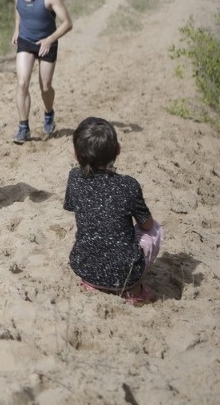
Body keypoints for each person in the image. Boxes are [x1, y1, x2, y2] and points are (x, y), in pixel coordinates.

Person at [64, 117, 164, 306]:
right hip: (127, 273)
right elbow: (147, 225)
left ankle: (94, 284)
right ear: (118, 150)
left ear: (76, 154)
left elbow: (72, 207)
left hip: (84, 266)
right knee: (156, 230)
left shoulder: (74, 178)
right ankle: (135, 291)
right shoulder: (128, 185)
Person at [11, 0, 73, 143]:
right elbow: (18, 11)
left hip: (47, 43)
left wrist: (49, 40)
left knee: (45, 87)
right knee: (22, 83)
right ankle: (23, 127)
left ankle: (49, 114)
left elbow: (67, 23)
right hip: (26, 41)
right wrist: (17, 29)